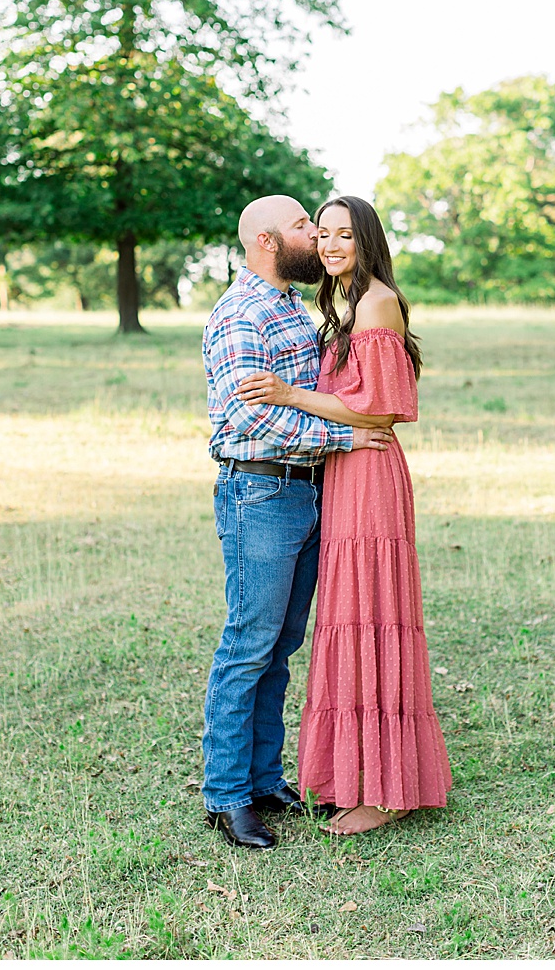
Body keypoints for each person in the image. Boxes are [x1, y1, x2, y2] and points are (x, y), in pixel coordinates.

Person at [234, 195, 451, 834]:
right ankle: (356, 775)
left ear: (367, 241)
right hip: (342, 469)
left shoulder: (377, 301)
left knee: (373, 616)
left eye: (343, 236)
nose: (329, 246)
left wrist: (290, 392)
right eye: (321, 234)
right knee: (348, 618)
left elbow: (382, 410)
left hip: (370, 469)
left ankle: (385, 793)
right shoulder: (342, 305)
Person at [196, 194, 396, 850]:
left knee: (280, 649)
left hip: (308, 492)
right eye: (304, 226)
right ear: (265, 241)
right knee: (247, 645)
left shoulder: (292, 306)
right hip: (260, 494)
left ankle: (261, 778)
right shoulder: (240, 315)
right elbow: (247, 415)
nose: (316, 236)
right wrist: (341, 439)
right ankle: (226, 795)